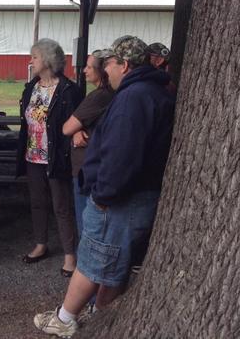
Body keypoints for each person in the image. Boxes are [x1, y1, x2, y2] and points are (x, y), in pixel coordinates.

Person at [34, 36, 175, 338]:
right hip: (134, 196)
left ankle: (65, 318)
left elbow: (122, 154)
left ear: (124, 65)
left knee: (93, 260)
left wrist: (103, 196)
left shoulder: (133, 98)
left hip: (119, 200)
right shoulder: (151, 91)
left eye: (108, 64)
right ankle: (101, 316)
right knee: (114, 264)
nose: (104, 70)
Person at [16, 38, 81, 277]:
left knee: (61, 205)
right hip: (33, 155)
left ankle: (70, 255)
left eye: (34, 57)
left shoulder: (68, 90)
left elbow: (77, 122)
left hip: (56, 156)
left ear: (47, 59)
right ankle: (40, 244)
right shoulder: (31, 87)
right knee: (37, 202)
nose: (30, 61)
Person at [62, 50, 114, 235]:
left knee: (86, 225)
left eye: (89, 67)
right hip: (95, 165)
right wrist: (79, 129)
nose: (84, 70)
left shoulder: (99, 96)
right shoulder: (111, 94)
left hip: (87, 169)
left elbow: (67, 128)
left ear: (103, 71)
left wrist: (75, 129)